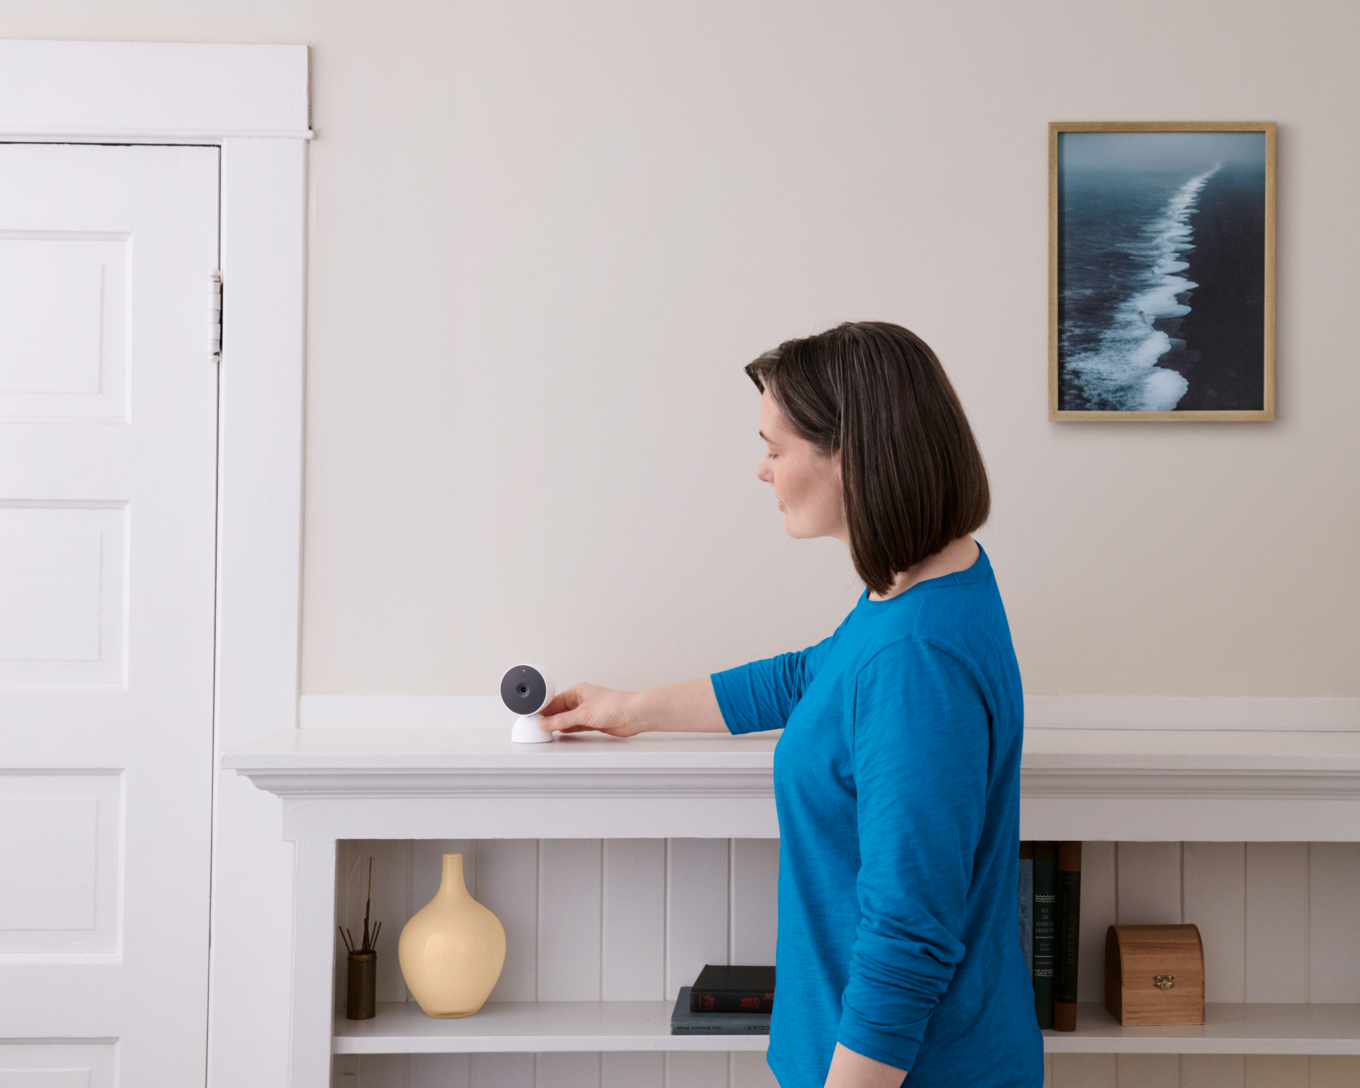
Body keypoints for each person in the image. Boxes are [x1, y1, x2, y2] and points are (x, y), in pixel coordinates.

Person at [538, 321, 1044, 1088]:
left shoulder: (915, 659)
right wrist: (630, 708)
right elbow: (810, 675)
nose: (762, 470)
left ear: (852, 453)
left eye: (776, 449)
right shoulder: (926, 588)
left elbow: (907, 937)